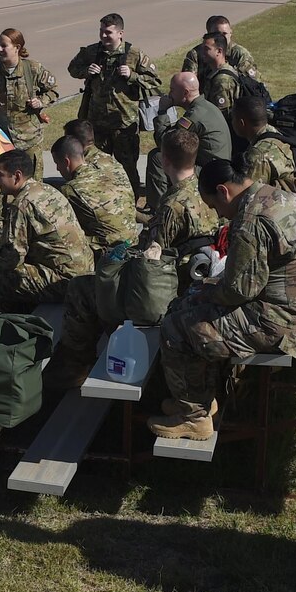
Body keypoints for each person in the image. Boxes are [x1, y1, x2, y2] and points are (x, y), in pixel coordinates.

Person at [147, 160, 296, 442]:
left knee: (177, 327)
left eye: (215, 206)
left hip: (278, 323)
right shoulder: (278, 196)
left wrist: (202, 292)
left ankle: (194, 418)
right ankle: (199, 398)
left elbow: (239, 291)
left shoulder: (250, 221)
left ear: (223, 191)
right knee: (192, 306)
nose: (220, 214)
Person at [44, 129, 220, 394]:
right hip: (195, 279)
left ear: (164, 160)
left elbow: (150, 260)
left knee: (81, 289)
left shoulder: (173, 206)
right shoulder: (204, 190)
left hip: (169, 291)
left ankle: (76, 367)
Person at [0, 149, 94, 310]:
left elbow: (12, 258)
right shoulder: (46, 190)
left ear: (16, 176)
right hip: (83, 272)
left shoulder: (22, 204)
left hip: (63, 282)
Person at [69, 13, 164, 199]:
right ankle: (102, 201)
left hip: (124, 124)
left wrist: (132, 76)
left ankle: (130, 202)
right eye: (101, 31)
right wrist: (85, 71)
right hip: (97, 124)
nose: (104, 36)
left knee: (127, 169)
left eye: (109, 32)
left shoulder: (134, 54)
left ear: (121, 33)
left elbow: (155, 80)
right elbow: (72, 68)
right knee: (97, 167)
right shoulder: (92, 52)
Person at [0, 28, 58, 225]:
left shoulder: (33, 69)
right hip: (1, 138)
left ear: (17, 48)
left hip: (29, 138)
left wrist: (41, 101)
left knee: (32, 182)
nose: (0, 49)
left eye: (4, 46)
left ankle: (34, 219)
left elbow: (53, 90)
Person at [146, 70, 234, 207]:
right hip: (218, 166)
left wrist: (162, 112)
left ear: (185, 93)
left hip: (210, 172)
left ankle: (157, 209)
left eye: (172, 90)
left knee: (157, 157)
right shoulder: (204, 107)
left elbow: (165, 143)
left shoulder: (195, 115)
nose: (169, 94)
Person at [51, 134, 139, 254]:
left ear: (67, 162)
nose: (57, 169)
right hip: (133, 241)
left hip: (109, 251)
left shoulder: (70, 189)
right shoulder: (109, 173)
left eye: (57, 163)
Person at [233, 95, 296, 194]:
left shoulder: (258, 155)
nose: (232, 123)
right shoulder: (274, 133)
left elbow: (250, 196)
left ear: (242, 123)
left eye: (233, 119)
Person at [181, 14, 259, 80]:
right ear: (209, 34)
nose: (222, 37)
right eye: (217, 33)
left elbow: (253, 83)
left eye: (225, 33)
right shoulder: (196, 54)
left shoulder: (240, 54)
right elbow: (187, 83)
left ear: (230, 33)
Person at [194, 33, 245, 118]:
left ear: (219, 51)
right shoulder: (217, 72)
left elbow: (221, 114)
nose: (202, 52)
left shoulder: (222, 81)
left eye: (206, 49)